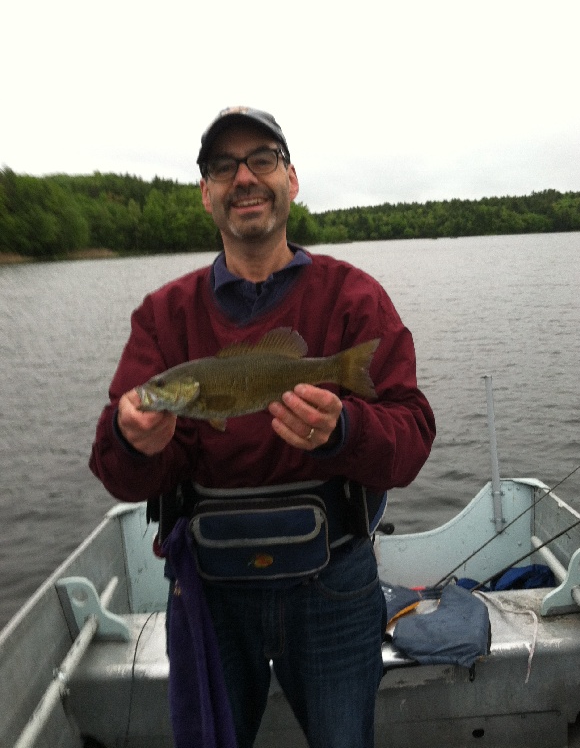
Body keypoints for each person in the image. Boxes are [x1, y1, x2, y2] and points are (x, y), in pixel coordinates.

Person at [90, 105, 435, 748]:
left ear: (292, 179)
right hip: (211, 595)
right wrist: (131, 440)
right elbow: (117, 471)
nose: (243, 177)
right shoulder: (164, 318)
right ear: (206, 194)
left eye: (262, 160)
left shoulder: (354, 297)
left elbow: (412, 439)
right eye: (223, 167)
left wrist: (345, 431)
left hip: (333, 585)